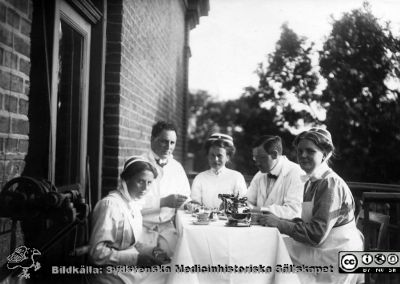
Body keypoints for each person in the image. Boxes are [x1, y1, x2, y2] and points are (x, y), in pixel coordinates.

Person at [258, 128, 364, 284]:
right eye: (300, 151)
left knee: (274, 255)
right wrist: (276, 220)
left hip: (337, 256)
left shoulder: (330, 184)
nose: (303, 156)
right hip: (325, 249)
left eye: (310, 151)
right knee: (275, 248)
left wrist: (279, 224)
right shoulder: (312, 181)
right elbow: (311, 224)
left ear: (325, 154)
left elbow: (316, 234)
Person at [89, 156, 169, 284]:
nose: (145, 188)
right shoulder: (110, 205)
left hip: (129, 271)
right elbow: (96, 253)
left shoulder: (132, 204)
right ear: (126, 180)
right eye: (140, 181)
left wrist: (151, 251)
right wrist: (136, 259)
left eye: (149, 183)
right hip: (111, 275)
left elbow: (128, 242)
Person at [139, 121, 190, 257]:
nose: (168, 147)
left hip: (167, 230)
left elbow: (185, 197)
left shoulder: (177, 167)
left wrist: (189, 204)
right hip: (141, 229)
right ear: (152, 139)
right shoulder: (138, 164)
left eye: (172, 143)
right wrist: (163, 202)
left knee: (177, 265)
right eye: (164, 141)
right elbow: (129, 203)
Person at [246, 135, 304, 219]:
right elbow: (248, 201)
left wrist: (257, 209)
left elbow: (293, 211)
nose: (257, 163)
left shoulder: (297, 173)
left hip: (283, 231)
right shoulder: (259, 174)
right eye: (255, 158)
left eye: (261, 158)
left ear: (274, 154)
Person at [191, 133, 247, 208]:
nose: (215, 159)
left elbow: (243, 203)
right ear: (207, 156)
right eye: (212, 155)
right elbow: (194, 203)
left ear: (227, 157)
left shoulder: (236, 177)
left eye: (219, 155)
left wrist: (231, 205)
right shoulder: (200, 178)